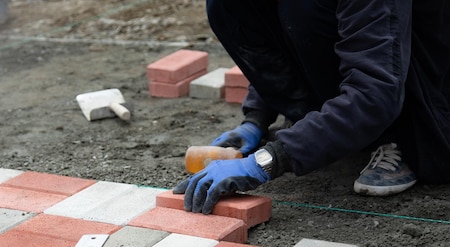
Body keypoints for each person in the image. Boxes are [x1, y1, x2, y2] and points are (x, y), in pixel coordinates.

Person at [174, 0, 450, 214]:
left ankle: (399, 137)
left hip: (424, 85)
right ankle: (318, 123)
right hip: (374, 66)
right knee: (230, 5)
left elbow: (374, 90)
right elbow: (275, 32)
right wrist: (258, 115)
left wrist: (270, 159)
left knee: (304, 9)